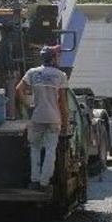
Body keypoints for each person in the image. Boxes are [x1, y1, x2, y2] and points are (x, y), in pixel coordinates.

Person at [15, 46, 69, 194]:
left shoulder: (32, 73)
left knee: (35, 149)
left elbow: (18, 89)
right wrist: (65, 122)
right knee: (51, 150)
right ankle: (45, 183)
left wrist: (28, 105)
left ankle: (34, 181)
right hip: (54, 118)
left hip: (37, 117)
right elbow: (63, 103)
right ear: (52, 58)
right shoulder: (61, 75)